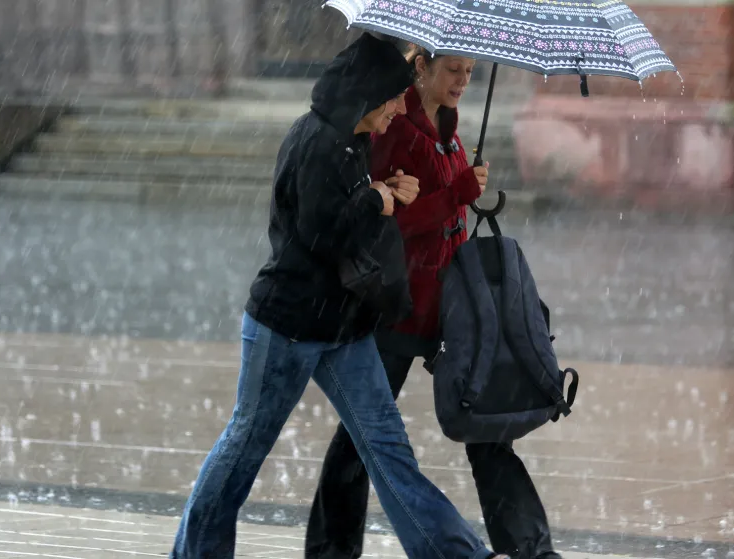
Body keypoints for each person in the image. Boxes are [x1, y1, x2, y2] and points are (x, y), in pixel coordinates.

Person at [170, 34, 504, 559]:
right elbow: (319, 237)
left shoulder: (357, 140)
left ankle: (456, 554)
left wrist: (384, 190)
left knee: (387, 450)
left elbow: (356, 218)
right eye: (393, 97)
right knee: (243, 450)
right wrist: (376, 200)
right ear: (368, 93)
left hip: (345, 330)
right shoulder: (315, 142)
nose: (400, 105)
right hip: (288, 327)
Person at [305, 46, 563, 559]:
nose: (463, 81)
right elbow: (387, 223)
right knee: (363, 437)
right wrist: (456, 194)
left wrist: (463, 192)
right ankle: (331, 550)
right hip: (398, 308)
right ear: (420, 67)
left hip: (452, 310)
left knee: (489, 427)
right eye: (453, 70)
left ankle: (532, 548)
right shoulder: (392, 129)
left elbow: (448, 215)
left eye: (470, 72)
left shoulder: (451, 128)